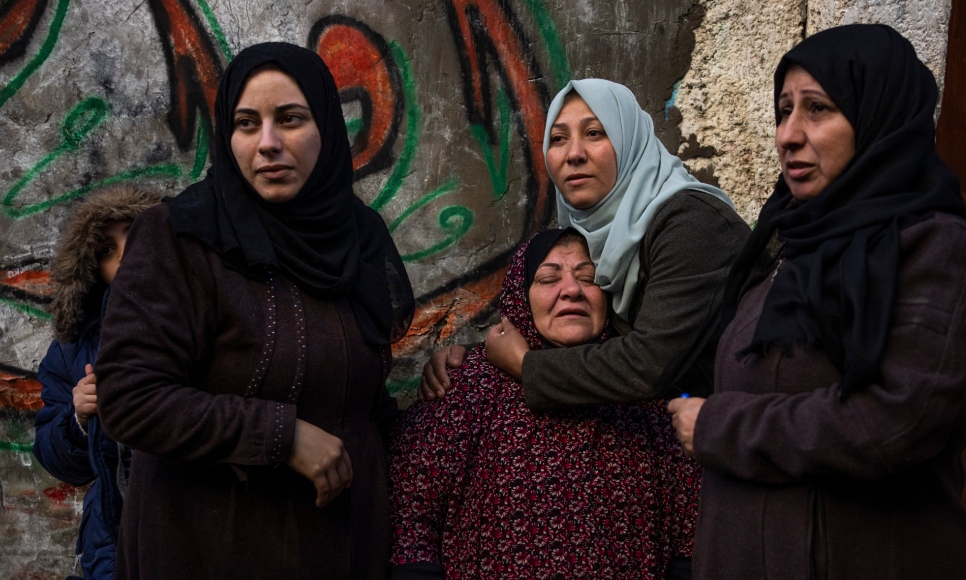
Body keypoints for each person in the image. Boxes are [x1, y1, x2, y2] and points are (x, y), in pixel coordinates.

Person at [667, 24, 966, 579]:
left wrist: (719, 427)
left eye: (818, 109)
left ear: (877, 118)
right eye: (784, 111)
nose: (788, 135)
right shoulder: (795, 247)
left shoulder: (940, 249)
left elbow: (901, 420)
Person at [95, 42, 414, 578]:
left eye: (290, 119)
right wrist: (280, 435)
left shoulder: (357, 239)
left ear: (328, 130)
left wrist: (459, 379)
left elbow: (358, 393)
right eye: (247, 123)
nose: (267, 144)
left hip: (340, 547)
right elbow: (129, 398)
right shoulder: (180, 237)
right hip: (207, 547)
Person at [421, 79, 751, 409]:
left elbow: (648, 364)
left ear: (628, 141)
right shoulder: (598, 235)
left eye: (594, 133)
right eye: (558, 138)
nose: (574, 154)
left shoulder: (690, 222)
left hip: (759, 433)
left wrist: (523, 365)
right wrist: (474, 359)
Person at [390, 229, 698, 579]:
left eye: (589, 277)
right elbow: (410, 515)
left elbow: (692, 534)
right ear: (520, 297)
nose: (571, 289)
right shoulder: (467, 388)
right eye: (549, 278)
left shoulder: (646, 400)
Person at [33, 185, 160, 580]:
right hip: (111, 542)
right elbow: (57, 461)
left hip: (195, 530)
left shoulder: (208, 322)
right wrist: (78, 420)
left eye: (137, 235)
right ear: (91, 269)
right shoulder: (76, 349)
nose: (125, 254)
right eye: (106, 250)